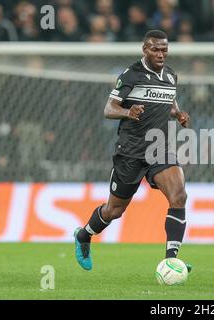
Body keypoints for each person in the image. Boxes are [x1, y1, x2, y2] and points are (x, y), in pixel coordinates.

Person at [74, 30, 191, 272]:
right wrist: (128, 112)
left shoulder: (170, 76)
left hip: (159, 148)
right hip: (131, 151)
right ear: (144, 50)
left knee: (179, 196)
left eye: (164, 50)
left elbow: (168, 100)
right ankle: (84, 236)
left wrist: (177, 113)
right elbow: (109, 108)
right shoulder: (131, 75)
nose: (161, 54)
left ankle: (172, 260)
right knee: (114, 210)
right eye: (155, 49)